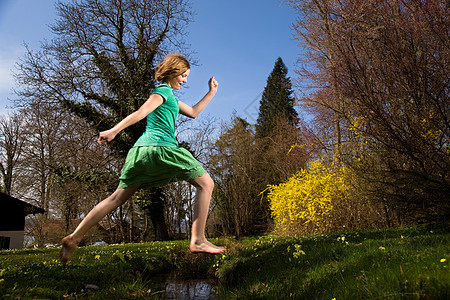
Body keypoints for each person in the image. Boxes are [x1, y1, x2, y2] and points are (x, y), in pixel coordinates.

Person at [60, 53, 225, 266]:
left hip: (141, 152)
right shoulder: (162, 91)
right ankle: (198, 239)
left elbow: (193, 112)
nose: (184, 80)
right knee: (206, 183)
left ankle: (74, 238)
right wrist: (114, 130)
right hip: (160, 148)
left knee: (115, 198)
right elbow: (141, 111)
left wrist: (211, 93)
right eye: (183, 75)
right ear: (173, 72)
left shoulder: (171, 97)